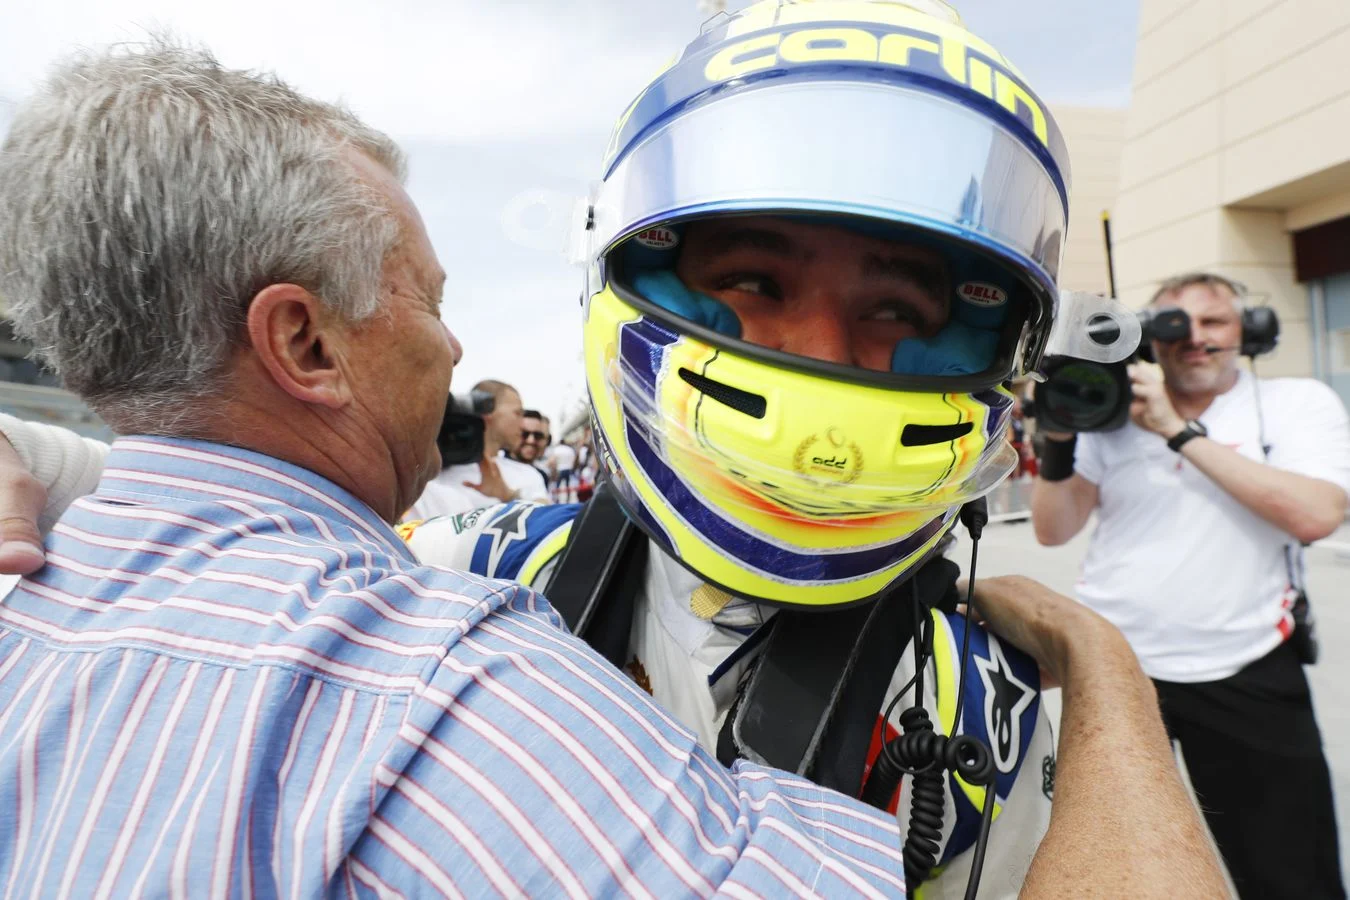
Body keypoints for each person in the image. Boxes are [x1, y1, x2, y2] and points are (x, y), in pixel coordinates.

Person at [0, 10, 1229, 899]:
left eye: (897, 315)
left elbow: (217, 529)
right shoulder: (469, 574)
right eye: (751, 282)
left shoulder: (976, 691)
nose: (820, 356)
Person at [1030, 271, 1350, 898]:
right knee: (1113, 864)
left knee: (1291, 876)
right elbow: (1051, 530)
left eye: (1215, 323)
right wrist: (1061, 432)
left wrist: (1177, 429)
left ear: (1249, 332)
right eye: (1176, 326)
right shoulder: (1114, 412)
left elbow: (1315, 514)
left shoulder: (1292, 402)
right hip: (1117, 672)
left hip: (1245, 665)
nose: (1195, 340)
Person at [409, 379, 549, 518]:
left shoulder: (528, 474)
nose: (522, 424)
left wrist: (509, 496)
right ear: (487, 409)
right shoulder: (432, 469)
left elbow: (549, 521)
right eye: (517, 413)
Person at [513, 408, 551, 491]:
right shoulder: (493, 469)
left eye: (538, 435)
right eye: (524, 434)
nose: (531, 440)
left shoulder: (541, 475)